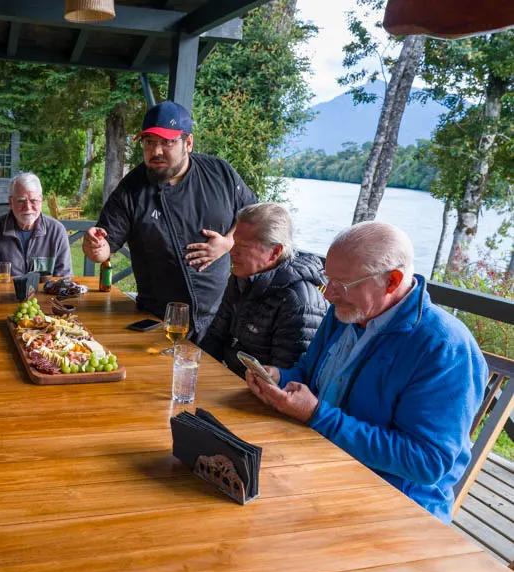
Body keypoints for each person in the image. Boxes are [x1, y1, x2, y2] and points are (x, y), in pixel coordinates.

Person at [245, 222, 486, 523]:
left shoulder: (444, 347)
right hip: (322, 468)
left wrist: (318, 414)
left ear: (392, 281)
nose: (329, 294)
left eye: (342, 284)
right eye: (327, 279)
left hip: (394, 508)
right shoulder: (347, 311)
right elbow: (310, 372)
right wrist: (280, 378)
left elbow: (427, 462)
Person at [82, 101, 256, 340]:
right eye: (149, 142)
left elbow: (253, 213)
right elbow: (101, 248)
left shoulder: (220, 173)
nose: (156, 152)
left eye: (167, 142)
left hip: (219, 318)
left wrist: (228, 242)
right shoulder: (130, 189)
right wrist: (95, 247)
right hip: (158, 320)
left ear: (189, 143)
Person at [200, 203, 327, 377]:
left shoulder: (298, 301)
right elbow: (215, 337)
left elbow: (286, 380)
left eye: (242, 247)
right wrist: (196, 370)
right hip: (230, 380)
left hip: (260, 395)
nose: (231, 252)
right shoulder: (242, 277)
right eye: (233, 243)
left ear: (275, 252)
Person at [0, 172, 73, 277]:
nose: (28, 207)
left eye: (33, 200)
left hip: (44, 293)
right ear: (10, 202)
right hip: (3, 293)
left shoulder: (56, 231)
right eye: (21, 201)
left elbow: (64, 279)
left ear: (41, 200)